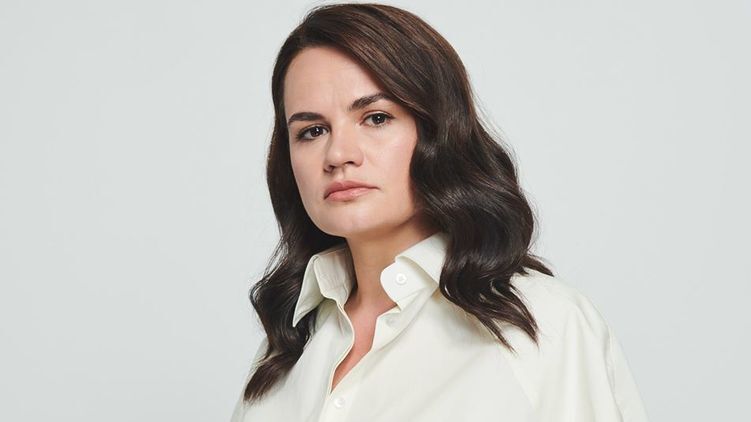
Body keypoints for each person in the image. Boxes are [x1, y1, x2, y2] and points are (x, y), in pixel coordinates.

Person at [231, 3, 649, 421]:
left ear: (438, 131)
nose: (338, 154)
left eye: (376, 118)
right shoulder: (285, 350)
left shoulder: (542, 326)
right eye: (312, 131)